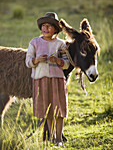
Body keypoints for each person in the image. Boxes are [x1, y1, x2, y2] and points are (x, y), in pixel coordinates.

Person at [26, 12, 69, 146]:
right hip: (41, 80)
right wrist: (37, 60)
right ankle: (51, 138)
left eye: (49, 26)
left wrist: (57, 60)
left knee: (59, 110)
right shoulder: (35, 42)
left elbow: (67, 63)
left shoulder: (60, 44)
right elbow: (28, 61)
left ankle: (59, 139)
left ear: (55, 29)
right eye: (44, 26)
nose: (46, 28)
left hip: (57, 80)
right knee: (48, 110)